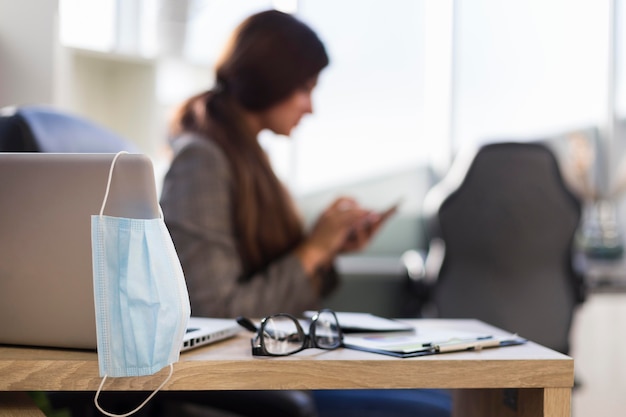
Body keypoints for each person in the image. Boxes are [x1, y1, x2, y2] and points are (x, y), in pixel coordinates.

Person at [160, 9, 450, 417]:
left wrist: (328, 249)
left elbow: (263, 287)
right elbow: (217, 310)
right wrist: (313, 249)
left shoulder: (245, 156)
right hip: (246, 382)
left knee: (442, 398)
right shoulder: (203, 161)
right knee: (438, 408)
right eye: (305, 88)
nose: (310, 107)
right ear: (270, 79)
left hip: (271, 367)